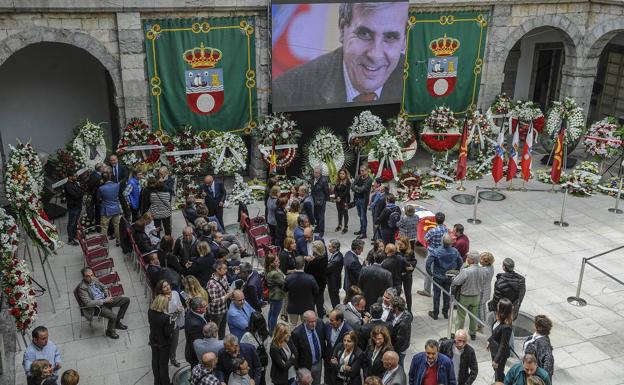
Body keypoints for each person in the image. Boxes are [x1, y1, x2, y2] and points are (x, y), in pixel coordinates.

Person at [272, 2, 408, 108]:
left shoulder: (417, 84)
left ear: (404, 40)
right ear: (342, 30)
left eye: (390, 37)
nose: (375, 55)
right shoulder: (287, 92)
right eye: (364, 34)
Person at [77, 267, 130, 339]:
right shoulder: (82, 288)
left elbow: (103, 286)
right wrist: (104, 301)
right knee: (113, 316)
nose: (91, 277)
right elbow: (88, 303)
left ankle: (117, 323)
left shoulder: (94, 279)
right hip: (96, 307)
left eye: (91, 275)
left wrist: (106, 293)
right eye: (87, 276)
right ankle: (109, 331)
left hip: (105, 299)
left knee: (126, 300)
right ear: (84, 277)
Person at [426, 234, 462, 320]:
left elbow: (428, 264)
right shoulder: (455, 251)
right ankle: (445, 312)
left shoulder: (436, 251)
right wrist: (455, 270)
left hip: (438, 277)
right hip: (449, 276)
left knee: (436, 295)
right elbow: (460, 261)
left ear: (442, 242)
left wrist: (430, 273)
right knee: (446, 294)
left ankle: (435, 313)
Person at [452, 252, 483, 340]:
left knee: (460, 317)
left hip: (465, 297)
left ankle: (458, 334)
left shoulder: (466, 271)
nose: (467, 258)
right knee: (473, 316)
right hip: (476, 296)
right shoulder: (482, 270)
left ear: (472, 260)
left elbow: (456, 281)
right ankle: (473, 333)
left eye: (468, 257)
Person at [154, 280, 185, 367]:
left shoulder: (175, 293)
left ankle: (173, 358)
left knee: (175, 342)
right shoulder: (160, 299)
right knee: (165, 343)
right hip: (166, 323)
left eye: (168, 285)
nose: (168, 287)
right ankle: (163, 360)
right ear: (161, 290)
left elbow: (179, 304)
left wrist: (180, 308)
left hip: (175, 320)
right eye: (164, 286)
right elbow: (160, 313)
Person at [291, 310, 326, 385]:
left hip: (318, 363)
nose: (313, 324)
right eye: (310, 322)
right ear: (305, 321)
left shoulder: (320, 323)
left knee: (317, 382)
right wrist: (298, 369)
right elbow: (295, 354)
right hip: (305, 367)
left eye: (314, 321)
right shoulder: (296, 333)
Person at [418, 212, 448, 298]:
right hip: (442, 253)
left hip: (432, 252)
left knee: (428, 271)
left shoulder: (432, 231)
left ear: (435, 220)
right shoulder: (445, 229)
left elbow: (425, 240)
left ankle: (427, 290)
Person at [283, 256, 319, 326]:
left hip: (293, 307)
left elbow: (284, 290)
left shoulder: (288, 278)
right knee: (306, 327)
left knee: (292, 326)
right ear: (304, 265)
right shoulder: (310, 278)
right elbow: (316, 292)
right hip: (307, 307)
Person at [148, 294, 175, 385]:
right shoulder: (165, 318)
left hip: (153, 340)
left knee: (155, 362)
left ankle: (157, 382)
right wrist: (173, 323)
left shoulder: (150, 311)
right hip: (163, 344)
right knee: (163, 365)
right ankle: (165, 382)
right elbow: (167, 333)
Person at [324, 309, 354, 385]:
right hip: (328, 361)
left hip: (340, 365)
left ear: (339, 320)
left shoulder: (349, 331)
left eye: (332, 320)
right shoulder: (328, 325)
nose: (329, 322)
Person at [241, 312, 271, 385]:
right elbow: (267, 348)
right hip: (262, 363)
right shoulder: (266, 334)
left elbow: (243, 349)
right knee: (262, 380)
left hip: (252, 365)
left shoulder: (247, 335)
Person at [488, 298, 514, 383]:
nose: (497, 305)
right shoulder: (499, 319)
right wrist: (489, 341)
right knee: (497, 372)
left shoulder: (506, 327)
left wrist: (496, 360)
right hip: (494, 350)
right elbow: (495, 333)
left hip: (500, 354)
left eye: (499, 305)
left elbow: (503, 344)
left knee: (498, 374)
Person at [523, 315, 554, 380]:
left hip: (532, 377)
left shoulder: (543, 344)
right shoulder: (535, 338)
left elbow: (548, 365)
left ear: (538, 327)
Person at [97, 171, 122, 245]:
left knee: (104, 227)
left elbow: (98, 198)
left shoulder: (101, 188)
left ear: (102, 179)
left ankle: (104, 242)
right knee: (116, 225)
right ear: (110, 177)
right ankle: (118, 241)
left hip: (106, 209)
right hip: (116, 208)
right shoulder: (117, 185)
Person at [306, 240, 329, 318]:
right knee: (320, 299)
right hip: (322, 282)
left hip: (314, 283)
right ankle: (321, 315)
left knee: (312, 302)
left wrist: (309, 261)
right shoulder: (324, 257)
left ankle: (312, 316)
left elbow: (307, 271)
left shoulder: (314, 262)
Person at [184, 297, 209, 367]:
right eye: (204, 306)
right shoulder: (195, 325)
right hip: (196, 356)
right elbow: (197, 344)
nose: (207, 306)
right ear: (198, 309)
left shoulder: (191, 311)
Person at [266, 254, 286, 333]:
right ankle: (272, 332)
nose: (279, 262)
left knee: (271, 313)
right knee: (274, 315)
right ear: (271, 263)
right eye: (276, 261)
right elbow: (284, 282)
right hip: (277, 297)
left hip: (272, 295)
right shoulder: (275, 273)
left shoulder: (273, 270)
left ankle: (270, 328)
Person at [390, 296, 412, 366]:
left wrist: (393, 350)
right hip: (401, 347)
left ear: (396, 308)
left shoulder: (403, 324)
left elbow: (399, 341)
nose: (390, 307)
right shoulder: (402, 314)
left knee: (399, 365)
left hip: (399, 350)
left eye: (391, 306)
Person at [352, 166, 372, 239]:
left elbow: (363, 189)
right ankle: (361, 230)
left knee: (363, 217)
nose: (361, 172)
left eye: (363, 171)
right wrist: (357, 188)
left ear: (367, 171)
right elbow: (352, 186)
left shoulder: (369, 180)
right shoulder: (358, 177)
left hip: (363, 200)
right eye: (360, 171)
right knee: (360, 216)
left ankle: (364, 233)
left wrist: (356, 188)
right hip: (357, 198)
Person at [396, 236, 416, 313]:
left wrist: (412, 267)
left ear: (406, 244)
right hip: (398, 275)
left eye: (401, 244)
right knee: (397, 292)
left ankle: (409, 310)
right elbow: (398, 261)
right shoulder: (397, 251)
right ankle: (397, 308)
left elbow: (414, 261)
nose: (400, 246)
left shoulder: (410, 252)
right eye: (399, 244)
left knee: (408, 293)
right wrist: (398, 251)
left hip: (407, 275)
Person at [64, 171, 83, 246]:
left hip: (78, 205)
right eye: (74, 176)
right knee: (71, 223)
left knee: (75, 222)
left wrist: (80, 192)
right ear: (70, 177)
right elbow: (75, 195)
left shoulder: (75, 183)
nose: (76, 177)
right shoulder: (67, 186)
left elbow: (80, 192)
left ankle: (74, 234)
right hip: (73, 207)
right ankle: (70, 239)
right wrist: (80, 192)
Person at [310, 167, 330, 237]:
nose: (315, 174)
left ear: (320, 173)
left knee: (321, 217)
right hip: (314, 200)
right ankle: (318, 228)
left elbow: (327, 191)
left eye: (317, 172)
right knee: (316, 216)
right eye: (314, 172)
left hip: (321, 201)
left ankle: (322, 231)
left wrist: (325, 199)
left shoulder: (324, 180)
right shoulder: (313, 179)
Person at [478, 252, 495, 327]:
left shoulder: (484, 271)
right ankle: (483, 320)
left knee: (479, 308)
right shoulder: (491, 267)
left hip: (482, 291)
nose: (479, 260)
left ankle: (480, 324)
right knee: (483, 306)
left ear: (486, 261)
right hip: (487, 289)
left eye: (481, 259)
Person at [327, 239, 344, 308]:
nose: (328, 248)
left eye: (330, 247)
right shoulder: (335, 254)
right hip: (332, 280)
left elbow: (327, 269)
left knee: (334, 298)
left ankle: (337, 311)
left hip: (333, 282)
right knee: (333, 298)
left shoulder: (337, 258)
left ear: (335, 248)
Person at [334, 168, 351, 234]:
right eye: (340, 173)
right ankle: (339, 225)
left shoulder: (348, 181)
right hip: (338, 200)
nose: (341, 175)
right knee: (339, 212)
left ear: (345, 174)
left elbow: (346, 191)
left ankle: (346, 227)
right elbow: (335, 190)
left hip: (345, 200)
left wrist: (340, 197)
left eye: (343, 174)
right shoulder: (337, 181)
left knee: (345, 213)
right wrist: (337, 196)